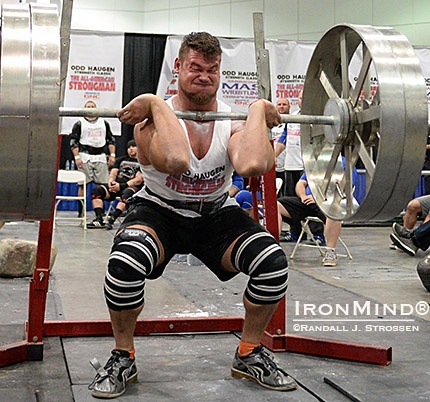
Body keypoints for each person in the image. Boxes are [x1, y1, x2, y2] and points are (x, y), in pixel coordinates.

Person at [88, 32, 297, 399]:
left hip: (216, 214)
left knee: (273, 263)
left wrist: (255, 111)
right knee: (124, 264)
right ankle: (123, 355)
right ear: (178, 67)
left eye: (212, 69)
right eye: (195, 68)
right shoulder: (148, 119)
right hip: (159, 210)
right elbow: (175, 161)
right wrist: (155, 101)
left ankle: (249, 352)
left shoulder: (230, 119)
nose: (204, 76)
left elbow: (252, 164)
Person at [277, 171, 349, 267]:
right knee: (276, 205)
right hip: (307, 201)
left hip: (328, 202)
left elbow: (342, 189)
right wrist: (303, 196)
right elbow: (301, 183)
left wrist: (318, 198)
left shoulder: (343, 164)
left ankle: (330, 252)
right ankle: (274, 246)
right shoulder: (314, 165)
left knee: (334, 213)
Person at [70, 100, 116, 217]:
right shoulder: (79, 123)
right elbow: (73, 141)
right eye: (88, 107)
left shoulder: (103, 123)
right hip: (85, 156)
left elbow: (111, 140)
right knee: (82, 184)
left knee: (101, 185)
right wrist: (77, 157)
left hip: (100, 156)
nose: (90, 108)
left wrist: (112, 155)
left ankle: (100, 213)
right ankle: (81, 212)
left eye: (92, 106)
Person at [87, 140, 143, 230]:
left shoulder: (142, 162)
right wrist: (111, 183)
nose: (131, 149)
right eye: (129, 147)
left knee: (127, 194)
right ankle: (99, 219)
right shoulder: (121, 160)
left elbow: (138, 180)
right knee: (97, 190)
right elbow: (113, 174)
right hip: (116, 186)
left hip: (130, 187)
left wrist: (121, 186)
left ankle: (112, 219)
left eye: (133, 146)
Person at [274, 90, 304, 198]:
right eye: (300, 98)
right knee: (289, 200)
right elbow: (283, 139)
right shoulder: (293, 117)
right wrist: (274, 156)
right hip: (290, 166)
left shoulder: (315, 118)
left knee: (304, 200)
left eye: (304, 98)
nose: (302, 100)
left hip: (305, 167)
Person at [272, 98, 290, 197]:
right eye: (279, 104)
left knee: (285, 192)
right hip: (272, 163)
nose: (281, 106)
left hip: (286, 163)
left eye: (284, 104)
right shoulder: (271, 123)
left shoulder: (291, 123)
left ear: (289, 107)